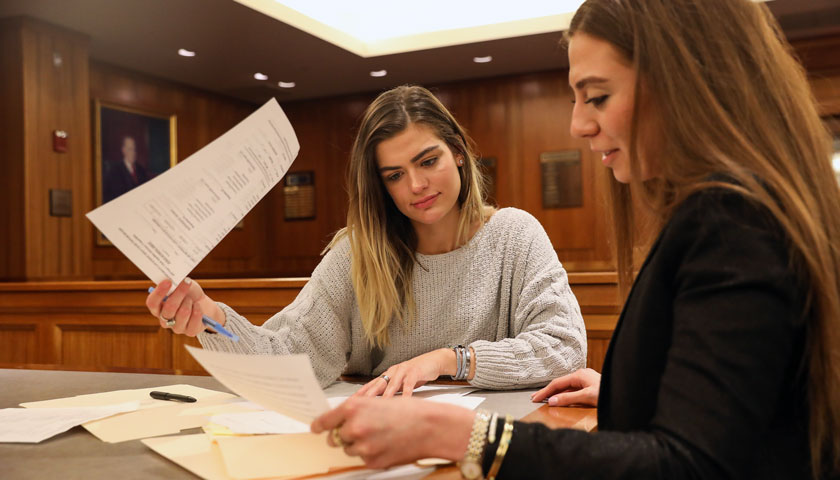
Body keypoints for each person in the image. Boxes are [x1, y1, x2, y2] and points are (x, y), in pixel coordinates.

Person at [310, 0, 840, 479]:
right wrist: (628, 391)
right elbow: (749, 409)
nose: (578, 125)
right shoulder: (732, 213)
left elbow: (688, 465)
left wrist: (457, 435)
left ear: (687, 83)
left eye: (598, 97)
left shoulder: (731, 224)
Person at [146, 85, 587, 393]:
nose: (416, 184)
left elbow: (565, 349)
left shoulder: (514, 234)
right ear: (381, 186)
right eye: (395, 175)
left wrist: (446, 360)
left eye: (428, 160)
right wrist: (210, 316)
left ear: (457, 151)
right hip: (382, 442)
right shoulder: (359, 253)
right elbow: (289, 357)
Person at [103, 135, 149, 203]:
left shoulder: (141, 170)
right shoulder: (115, 171)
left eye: (134, 149)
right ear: (123, 150)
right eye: (130, 149)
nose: (133, 153)